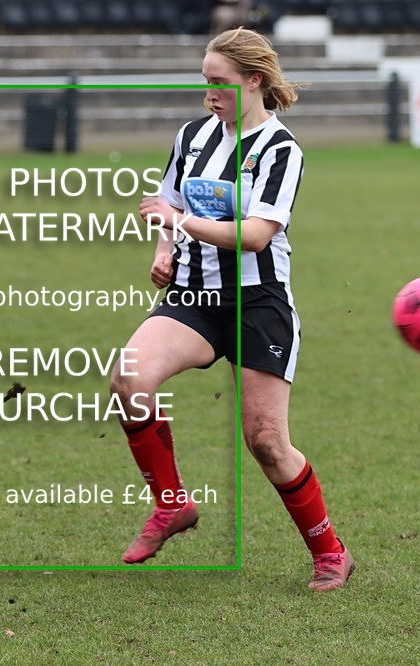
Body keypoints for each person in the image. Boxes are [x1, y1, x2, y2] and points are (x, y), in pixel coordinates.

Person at [110, 27, 355, 590]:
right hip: (194, 298)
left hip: (258, 302)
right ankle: (172, 506)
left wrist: (180, 225)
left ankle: (330, 551)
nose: (209, 95)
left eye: (219, 84)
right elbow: (169, 201)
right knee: (129, 378)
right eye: (205, 83)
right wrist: (165, 249)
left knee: (266, 440)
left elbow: (256, 235)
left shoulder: (280, 150)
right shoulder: (193, 136)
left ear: (255, 82)